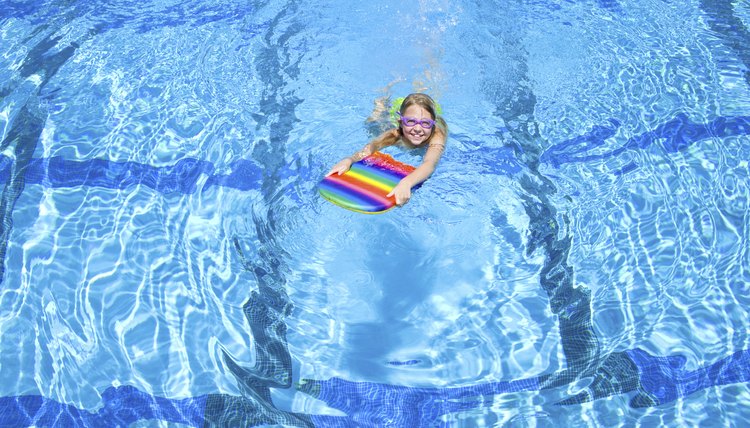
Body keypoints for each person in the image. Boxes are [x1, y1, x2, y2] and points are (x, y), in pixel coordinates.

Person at [326, 93, 447, 206]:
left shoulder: (437, 136)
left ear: (433, 124)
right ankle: (381, 105)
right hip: (397, 124)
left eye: (425, 123)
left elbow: (429, 164)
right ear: (400, 122)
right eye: (410, 121)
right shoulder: (395, 135)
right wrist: (349, 160)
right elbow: (370, 148)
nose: (418, 129)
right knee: (372, 125)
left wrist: (407, 183)